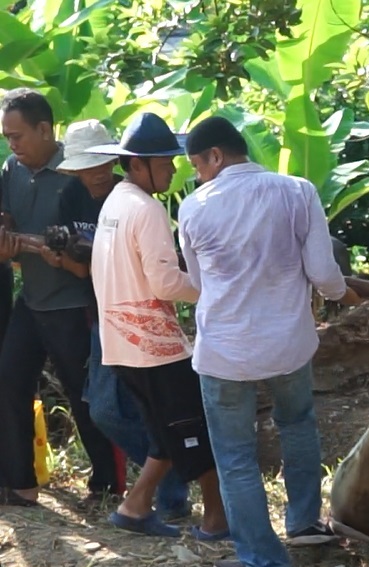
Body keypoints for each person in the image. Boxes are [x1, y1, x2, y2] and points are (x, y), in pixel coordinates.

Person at [178, 116, 361, 567]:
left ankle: (265, 564)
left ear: (215, 156)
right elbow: (323, 273)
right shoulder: (297, 191)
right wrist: (348, 295)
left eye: (198, 164)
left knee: (236, 457)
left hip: (224, 351)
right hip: (289, 344)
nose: (197, 174)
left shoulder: (194, 207)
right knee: (298, 425)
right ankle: (303, 525)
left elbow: (199, 285)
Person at [86, 112, 227, 538]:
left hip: (122, 343)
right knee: (192, 430)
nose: (172, 167)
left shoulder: (114, 203)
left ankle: (135, 506)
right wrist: (213, 290)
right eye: (163, 162)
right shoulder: (146, 210)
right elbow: (165, 283)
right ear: (136, 165)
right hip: (155, 346)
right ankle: (218, 519)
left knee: (166, 433)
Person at [54, 119, 190, 520]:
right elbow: (86, 268)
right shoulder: (74, 198)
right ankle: (167, 483)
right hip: (106, 315)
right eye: (86, 167)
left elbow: (159, 275)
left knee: (157, 415)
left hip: (141, 320)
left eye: (100, 165)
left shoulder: (128, 198)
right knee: (108, 412)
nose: (95, 174)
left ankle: (165, 493)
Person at [0, 88, 119, 506]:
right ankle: (20, 484)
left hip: (73, 303)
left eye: (17, 135)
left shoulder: (78, 170)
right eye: (7, 137)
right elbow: (5, 214)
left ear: (45, 129)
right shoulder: (11, 168)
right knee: (9, 381)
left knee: (83, 395)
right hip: (31, 300)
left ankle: (106, 486)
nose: (11, 144)